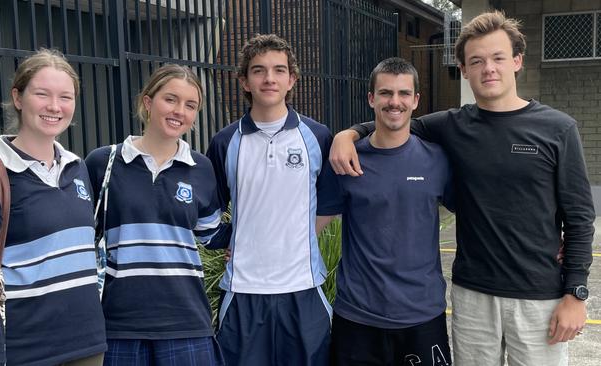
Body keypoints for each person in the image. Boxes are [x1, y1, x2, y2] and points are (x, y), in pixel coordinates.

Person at [329, 10, 595, 366]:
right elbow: (395, 117)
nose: (489, 68)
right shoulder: (452, 125)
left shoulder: (557, 129)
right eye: (477, 61)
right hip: (473, 296)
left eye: (498, 58)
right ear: (464, 70)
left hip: (539, 296)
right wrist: (347, 135)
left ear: (517, 61)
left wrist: (575, 292)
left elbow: (579, 216)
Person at [0, 49, 107, 365]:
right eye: (42, 94)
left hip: (87, 347)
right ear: (18, 98)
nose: (54, 106)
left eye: (66, 96)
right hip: (24, 352)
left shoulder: (77, 168)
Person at [205, 33, 336, 366]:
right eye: (259, 70)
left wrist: (296, 236)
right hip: (244, 290)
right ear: (244, 81)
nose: (269, 78)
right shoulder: (224, 142)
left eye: (279, 70)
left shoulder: (318, 137)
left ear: (291, 79)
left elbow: (330, 203)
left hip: (303, 288)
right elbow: (209, 208)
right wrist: (231, 237)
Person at [85, 64, 224, 365]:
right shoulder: (103, 163)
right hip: (119, 325)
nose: (179, 111)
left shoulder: (200, 168)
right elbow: (82, 236)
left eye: (190, 105)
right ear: (148, 103)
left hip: (186, 322)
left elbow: (211, 235)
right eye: (170, 99)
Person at [320, 57, 453, 366]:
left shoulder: (437, 159)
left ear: (416, 100)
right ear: (371, 98)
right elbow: (313, 223)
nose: (395, 102)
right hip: (358, 317)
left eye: (404, 93)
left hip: (422, 315)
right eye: (385, 93)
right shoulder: (345, 161)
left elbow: (477, 214)